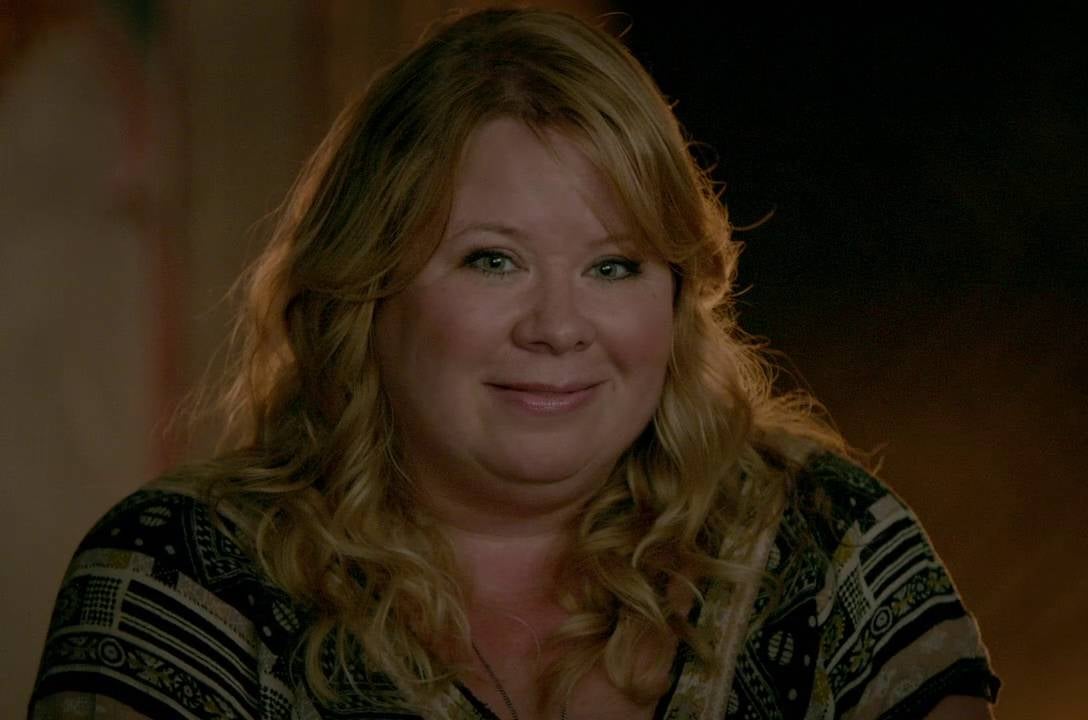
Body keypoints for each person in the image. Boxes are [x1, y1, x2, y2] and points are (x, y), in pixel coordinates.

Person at [29, 8, 1000, 720]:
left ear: (674, 298)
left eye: (614, 266)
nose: (558, 328)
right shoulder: (178, 579)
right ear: (366, 286)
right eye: (492, 260)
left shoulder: (827, 548)